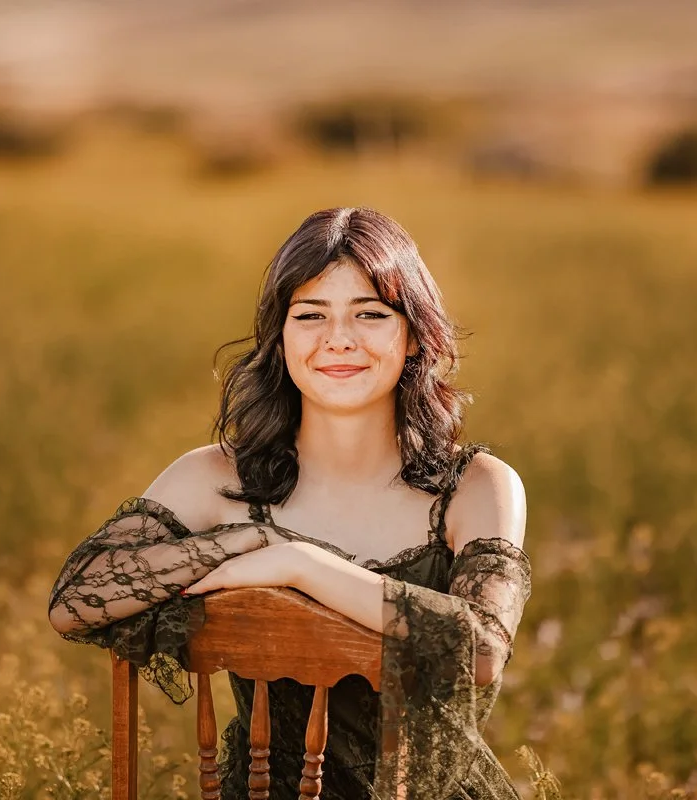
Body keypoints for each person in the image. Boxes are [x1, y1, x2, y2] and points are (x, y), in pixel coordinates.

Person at [48, 207, 533, 799]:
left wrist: (302, 564)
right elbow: (74, 601)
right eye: (310, 315)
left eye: (371, 314)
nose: (339, 339)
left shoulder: (475, 485)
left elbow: (480, 652)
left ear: (413, 338)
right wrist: (252, 538)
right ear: (280, 339)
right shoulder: (215, 476)